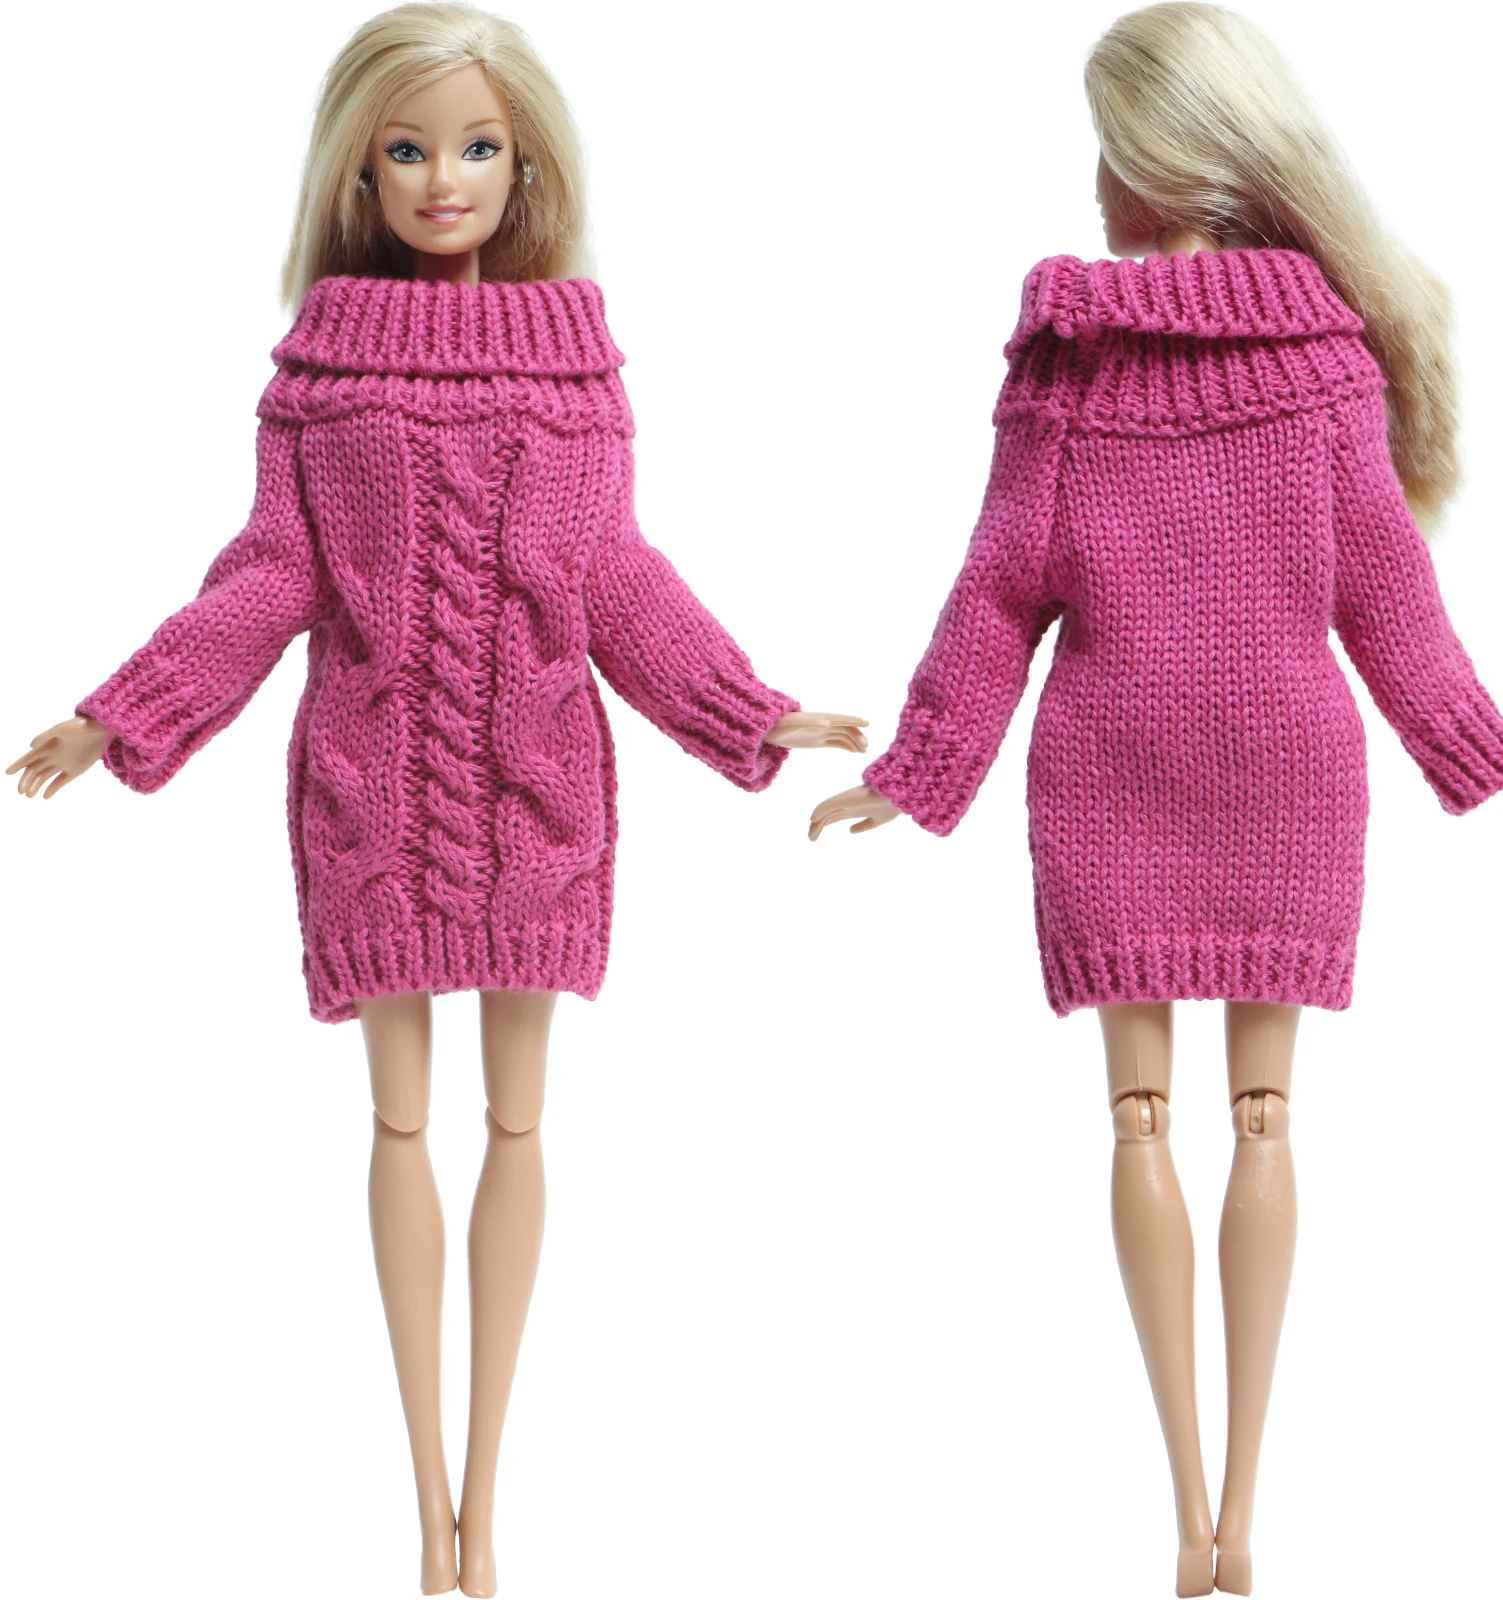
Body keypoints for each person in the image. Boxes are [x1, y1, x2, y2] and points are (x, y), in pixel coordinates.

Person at [8, 5, 863, 1594]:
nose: (443, 178)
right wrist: (123, 712)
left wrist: (744, 708)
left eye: (475, 145)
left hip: (542, 811)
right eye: (406, 149)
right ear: (359, 170)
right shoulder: (320, 375)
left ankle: (491, 1493)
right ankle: (429, 1513)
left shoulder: (576, 368)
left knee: (517, 1126)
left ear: (526, 159)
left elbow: (614, 579)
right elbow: (266, 581)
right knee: (400, 1124)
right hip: (373, 806)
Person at [808, 4, 1503, 1594]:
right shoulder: (1286, 363)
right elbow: (1377, 597)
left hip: (1152, 773)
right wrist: (921, 763)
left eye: (1112, 151)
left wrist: (1485, 748)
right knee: (1252, 1117)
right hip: (1237, 774)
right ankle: (1217, 1506)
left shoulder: (1110, 366)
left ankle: (1210, 1511)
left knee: (1154, 1117)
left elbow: (1009, 593)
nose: (1100, 183)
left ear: (1165, 161)